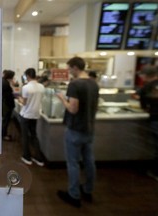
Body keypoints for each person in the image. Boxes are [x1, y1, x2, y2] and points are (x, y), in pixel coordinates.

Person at [55, 57, 99, 208]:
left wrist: (62, 98)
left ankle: (74, 195)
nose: (68, 72)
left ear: (75, 68)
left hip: (75, 129)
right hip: (89, 128)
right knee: (89, 161)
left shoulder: (75, 84)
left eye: (69, 69)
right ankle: (88, 190)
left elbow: (73, 109)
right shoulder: (94, 83)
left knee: (73, 163)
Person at [18, 68, 45, 166]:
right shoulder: (41, 87)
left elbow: (24, 103)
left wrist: (19, 98)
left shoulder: (26, 87)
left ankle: (27, 157)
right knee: (34, 136)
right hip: (35, 114)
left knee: (25, 136)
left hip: (26, 115)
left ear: (28, 76)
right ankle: (39, 158)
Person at [138, 65, 158, 182]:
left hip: (156, 118)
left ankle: (156, 172)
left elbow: (143, 105)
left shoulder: (147, 87)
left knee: (157, 146)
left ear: (146, 75)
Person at [2, 70, 16, 141]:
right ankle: (4, 135)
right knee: (6, 120)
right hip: (7, 105)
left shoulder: (4, 81)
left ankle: (3, 134)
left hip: (4, 104)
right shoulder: (5, 84)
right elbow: (9, 96)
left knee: (5, 120)